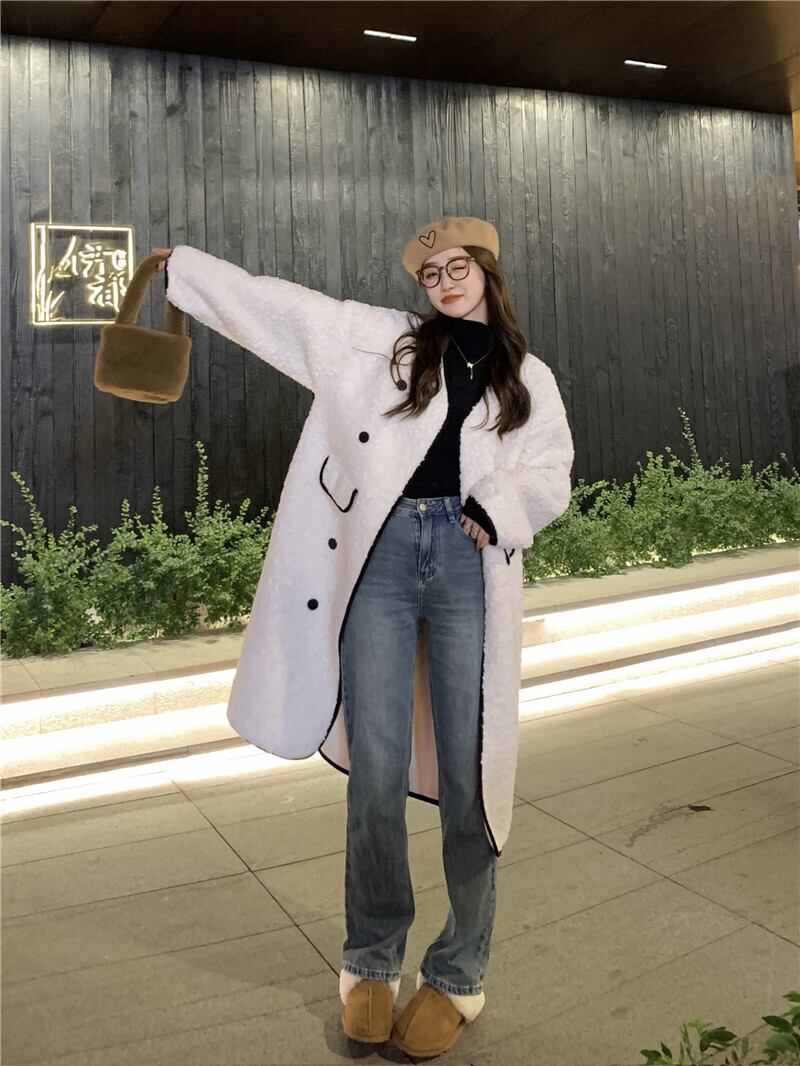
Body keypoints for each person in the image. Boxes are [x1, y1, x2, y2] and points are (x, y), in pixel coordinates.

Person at [154, 217, 574, 1059]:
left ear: (488, 272)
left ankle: (458, 973)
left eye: (458, 267)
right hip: (378, 559)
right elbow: (282, 308)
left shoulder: (528, 376)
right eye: (431, 273)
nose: (445, 282)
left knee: (471, 774)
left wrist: (499, 507)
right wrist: (188, 271)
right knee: (375, 773)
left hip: (467, 560)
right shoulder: (384, 343)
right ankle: (371, 963)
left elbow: (552, 470)